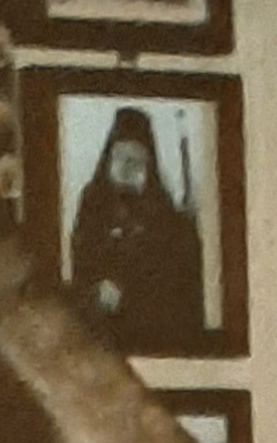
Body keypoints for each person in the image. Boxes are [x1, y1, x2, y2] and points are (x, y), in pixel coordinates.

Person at [67, 105, 207, 355]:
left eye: (137, 158)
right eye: (122, 156)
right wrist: (98, 289)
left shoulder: (162, 212)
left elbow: (171, 274)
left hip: (149, 328)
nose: (128, 166)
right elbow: (82, 257)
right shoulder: (93, 203)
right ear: (109, 158)